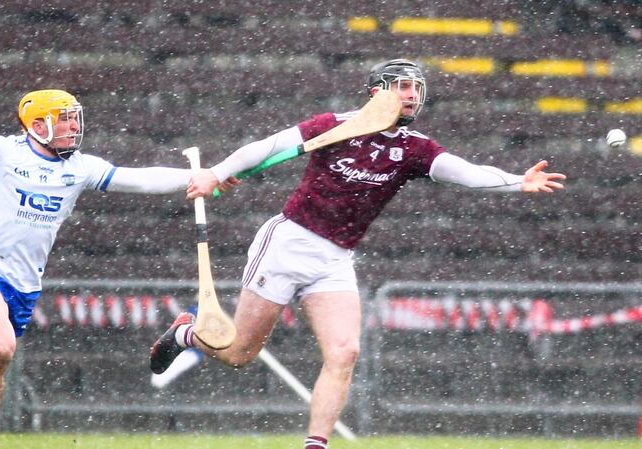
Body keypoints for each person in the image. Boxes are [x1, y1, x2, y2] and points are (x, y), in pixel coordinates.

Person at [149, 59, 566, 449]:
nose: (411, 96)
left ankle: (316, 445)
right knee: (240, 353)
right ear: (375, 92)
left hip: (335, 259)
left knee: (345, 351)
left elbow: (466, 172)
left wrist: (516, 182)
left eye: (416, 89)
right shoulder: (333, 125)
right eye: (402, 87)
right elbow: (266, 146)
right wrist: (216, 174)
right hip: (288, 242)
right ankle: (186, 333)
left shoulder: (416, 148)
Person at [0, 89, 237, 449]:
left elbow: (140, 178)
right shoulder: (3, 153)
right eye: (64, 121)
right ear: (37, 125)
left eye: (75, 120)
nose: (73, 128)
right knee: (1, 347)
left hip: (24, 287)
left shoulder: (79, 168)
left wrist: (205, 175)